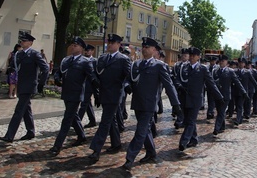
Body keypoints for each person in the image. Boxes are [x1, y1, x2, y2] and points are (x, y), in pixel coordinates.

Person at [121, 37, 182, 171]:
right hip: (137, 103)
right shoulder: (136, 64)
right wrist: (127, 85)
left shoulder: (159, 65)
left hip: (149, 105)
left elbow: (169, 85)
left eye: (147, 47)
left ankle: (129, 158)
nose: (144, 49)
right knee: (146, 130)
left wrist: (175, 104)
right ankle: (151, 153)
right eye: (143, 47)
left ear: (154, 50)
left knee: (140, 131)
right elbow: (128, 79)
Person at [49, 37, 100, 155]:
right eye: (72, 45)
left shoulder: (85, 62)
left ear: (82, 48)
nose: (73, 47)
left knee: (67, 119)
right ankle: (81, 136)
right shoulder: (66, 60)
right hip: (66, 92)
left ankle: (57, 145)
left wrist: (97, 91)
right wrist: (57, 78)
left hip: (76, 94)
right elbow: (59, 72)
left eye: (76, 45)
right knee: (74, 116)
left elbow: (92, 77)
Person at [0, 33, 49, 143]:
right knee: (27, 109)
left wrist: (41, 83)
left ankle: (9, 135)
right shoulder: (19, 54)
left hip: (29, 86)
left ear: (30, 43)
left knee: (19, 110)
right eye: (22, 40)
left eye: (25, 41)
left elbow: (45, 68)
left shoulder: (34, 54)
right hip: (20, 85)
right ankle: (30, 132)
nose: (22, 42)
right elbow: (14, 66)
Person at [88, 34, 131, 162]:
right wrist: (94, 80)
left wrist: (128, 85)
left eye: (112, 42)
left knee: (105, 121)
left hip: (114, 95)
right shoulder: (102, 58)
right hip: (103, 93)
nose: (110, 44)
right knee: (111, 119)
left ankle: (96, 149)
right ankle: (116, 144)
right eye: (109, 42)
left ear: (119, 45)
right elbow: (95, 72)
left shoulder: (123, 59)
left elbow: (128, 75)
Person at [174, 47, 224, 151]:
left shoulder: (202, 69)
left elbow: (211, 84)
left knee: (191, 121)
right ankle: (194, 139)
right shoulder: (184, 67)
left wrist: (219, 97)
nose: (191, 57)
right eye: (190, 55)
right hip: (184, 98)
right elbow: (177, 79)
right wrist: (179, 85)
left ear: (198, 57)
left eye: (194, 56)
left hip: (195, 99)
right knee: (188, 120)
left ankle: (183, 142)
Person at [213, 54, 246, 135]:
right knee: (220, 111)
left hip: (226, 95)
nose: (221, 63)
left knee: (221, 112)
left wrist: (243, 92)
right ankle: (222, 126)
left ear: (226, 62)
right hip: (217, 95)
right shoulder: (215, 71)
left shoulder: (230, 71)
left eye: (223, 61)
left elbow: (237, 82)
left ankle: (216, 128)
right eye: (220, 61)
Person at [77, 44, 98, 129]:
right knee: (87, 104)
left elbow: (97, 73)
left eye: (88, 50)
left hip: (90, 85)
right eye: (85, 50)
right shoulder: (81, 60)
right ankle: (92, 121)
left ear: (92, 51)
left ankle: (77, 121)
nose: (86, 52)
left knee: (83, 104)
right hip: (83, 85)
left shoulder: (95, 61)